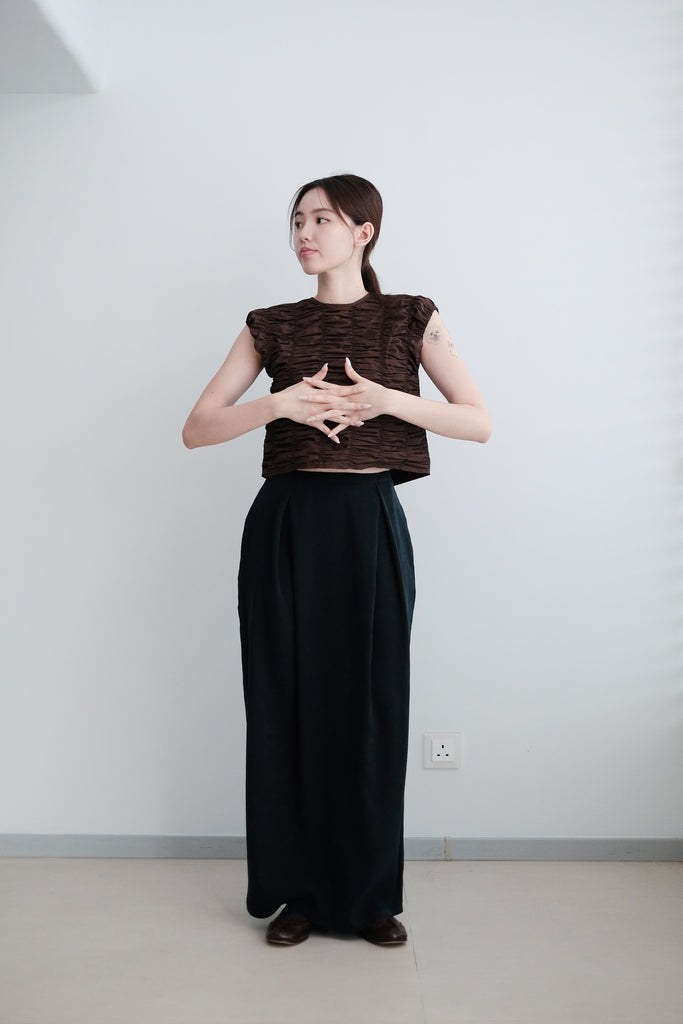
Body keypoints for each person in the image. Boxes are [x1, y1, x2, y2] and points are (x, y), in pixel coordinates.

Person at [183, 173, 491, 947]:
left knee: (371, 705)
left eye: (320, 219)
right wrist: (278, 404)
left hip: (367, 521)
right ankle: (299, 895)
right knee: (284, 704)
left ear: (363, 231)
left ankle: (369, 897)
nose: (303, 234)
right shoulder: (271, 326)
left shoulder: (408, 317)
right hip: (286, 523)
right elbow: (197, 428)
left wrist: (388, 400)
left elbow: (477, 421)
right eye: (296, 221)